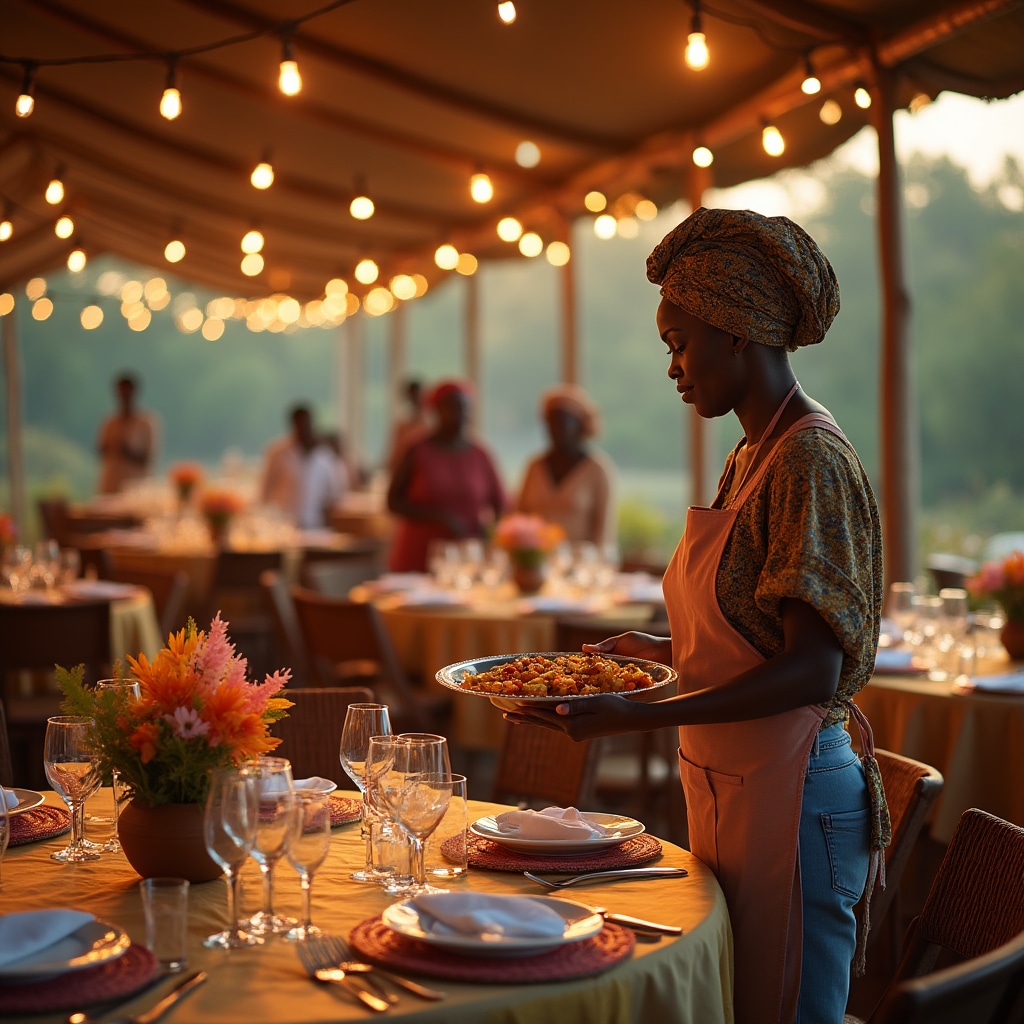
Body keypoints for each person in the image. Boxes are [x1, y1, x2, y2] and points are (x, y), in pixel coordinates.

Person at [507, 208, 888, 1024]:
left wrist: (635, 712)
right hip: (736, 781)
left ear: (738, 333)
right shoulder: (751, 454)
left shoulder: (810, 459)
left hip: (797, 794)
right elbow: (750, 635)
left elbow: (810, 669)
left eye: (679, 343)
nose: (673, 367)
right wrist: (653, 651)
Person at [387, 379, 507, 572]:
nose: (460, 414)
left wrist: (491, 535)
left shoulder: (481, 455)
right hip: (418, 553)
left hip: (468, 555)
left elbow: (501, 506)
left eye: (464, 408)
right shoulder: (417, 450)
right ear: (436, 410)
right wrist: (438, 517)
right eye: (452, 407)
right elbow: (393, 501)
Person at [517, 384, 615, 547]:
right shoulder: (534, 467)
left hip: (580, 567)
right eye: (550, 422)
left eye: (562, 422)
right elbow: (519, 520)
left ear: (579, 425)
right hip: (536, 564)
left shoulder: (598, 470)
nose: (555, 429)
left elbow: (604, 536)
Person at [259, 404, 345, 529]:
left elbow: (334, 494)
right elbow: (265, 490)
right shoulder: (277, 452)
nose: (303, 427)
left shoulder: (325, 455)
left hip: (315, 525)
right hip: (283, 524)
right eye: (299, 423)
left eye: (306, 423)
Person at [96, 373, 159, 494]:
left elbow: (149, 458)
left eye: (127, 391)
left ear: (134, 392)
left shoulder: (146, 423)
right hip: (111, 484)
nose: (124, 396)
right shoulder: (109, 422)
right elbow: (101, 451)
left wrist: (126, 451)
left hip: (136, 487)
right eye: (121, 391)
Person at [386, 378, 431, 475]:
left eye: (418, 395)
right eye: (413, 396)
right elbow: (395, 458)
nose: (416, 400)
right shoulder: (403, 427)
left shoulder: (432, 426)